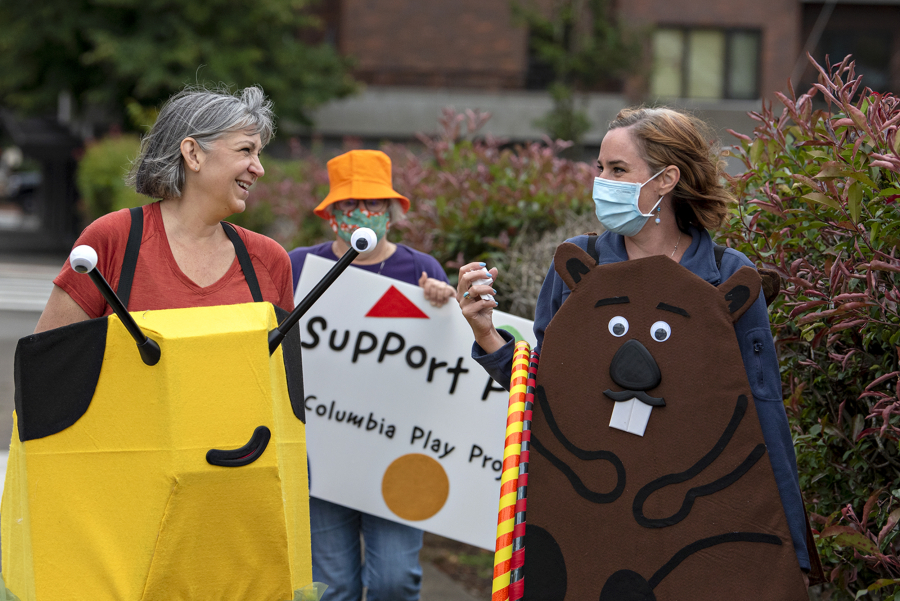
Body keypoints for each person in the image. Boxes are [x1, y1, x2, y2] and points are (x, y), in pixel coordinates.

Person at [457, 107, 811, 584]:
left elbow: (761, 406)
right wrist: (485, 333)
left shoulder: (727, 277)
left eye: (618, 170)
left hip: (689, 512)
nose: (602, 181)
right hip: (587, 512)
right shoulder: (577, 267)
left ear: (666, 179)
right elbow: (549, 391)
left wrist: (789, 543)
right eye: (600, 168)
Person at [288, 149, 456, 601]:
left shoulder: (422, 271)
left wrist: (447, 307)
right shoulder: (299, 267)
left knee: (393, 582)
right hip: (322, 455)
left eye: (374, 205)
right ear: (331, 214)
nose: (362, 214)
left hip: (397, 452)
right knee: (331, 587)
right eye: (349, 205)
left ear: (393, 212)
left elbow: (450, 364)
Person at [35, 85, 293, 334]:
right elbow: (46, 365)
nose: (259, 169)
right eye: (246, 150)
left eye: (258, 153)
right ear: (192, 154)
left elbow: (283, 374)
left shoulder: (270, 261)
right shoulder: (112, 240)